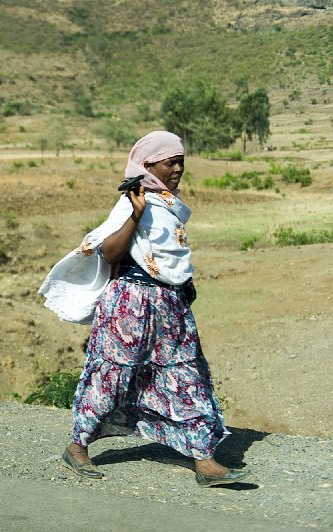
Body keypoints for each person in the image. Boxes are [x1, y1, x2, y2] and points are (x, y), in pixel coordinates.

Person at [39, 131, 249, 487]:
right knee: (114, 377)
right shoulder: (131, 202)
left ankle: (204, 460)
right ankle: (77, 447)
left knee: (187, 378)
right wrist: (135, 215)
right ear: (148, 165)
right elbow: (110, 252)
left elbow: (171, 259)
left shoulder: (168, 204)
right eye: (171, 162)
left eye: (181, 161)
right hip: (131, 306)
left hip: (170, 306)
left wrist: (184, 287)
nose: (178, 169)